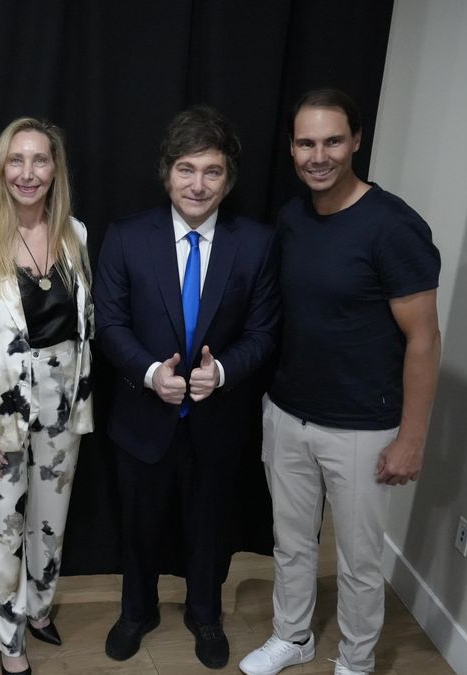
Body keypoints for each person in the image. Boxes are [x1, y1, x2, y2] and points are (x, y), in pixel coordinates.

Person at [238, 89, 441, 675]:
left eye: (332, 141)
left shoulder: (393, 227)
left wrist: (411, 438)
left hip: (363, 425)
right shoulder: (292, 216)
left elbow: (424, 339)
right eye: (306, 142)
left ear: (356, 141)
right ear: (293, 148)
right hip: (288, 413)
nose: (318, 155)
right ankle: (292, 635)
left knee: (357, 560)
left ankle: (356, 660)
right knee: (292, 542)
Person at [93, 105, 280, 670]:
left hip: (217, 420)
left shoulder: (256, 243)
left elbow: (265, 330)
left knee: (210, 530)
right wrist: (152, 374)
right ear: (166, 172)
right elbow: (110, 323)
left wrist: (220, 372)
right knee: (139, 526)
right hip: (143, 418)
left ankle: (205, 613)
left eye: (213, 171)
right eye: (186, 169)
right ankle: (136, 611)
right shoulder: (126, 237)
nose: (198, 184)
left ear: (230, 178)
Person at [0, 117, 94, 675]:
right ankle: (10, 643)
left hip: (64, 408)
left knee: (50, 521)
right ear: (0, 170)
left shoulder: (75, 234)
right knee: (2, 527)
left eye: (39, 160)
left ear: (55, 169)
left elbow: (85, 327)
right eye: (16, 160)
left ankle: (38, 609)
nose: (27, 172)